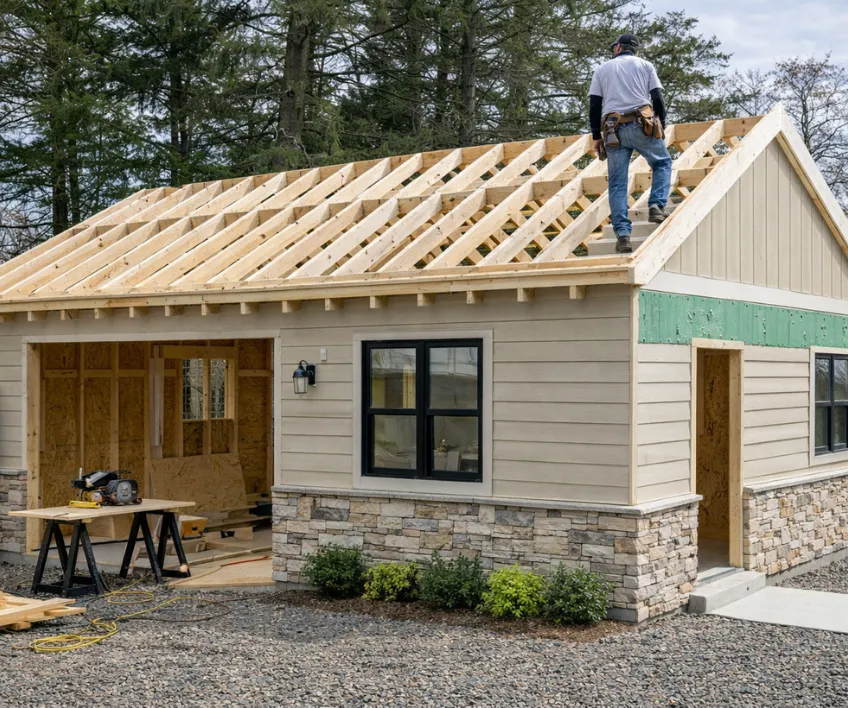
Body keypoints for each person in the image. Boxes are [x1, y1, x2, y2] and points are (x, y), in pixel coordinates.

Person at [589, 33, 672, 253]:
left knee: (617, 183)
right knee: (662, 162)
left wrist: (596, 136)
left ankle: (623, 236)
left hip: (612, 129)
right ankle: (656, 205)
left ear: (618, 47)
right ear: (635, 50)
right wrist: (661, 125)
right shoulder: (645, 65)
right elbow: (657, 98)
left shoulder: (602, 70)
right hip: (641, 124)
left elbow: (594, 105)